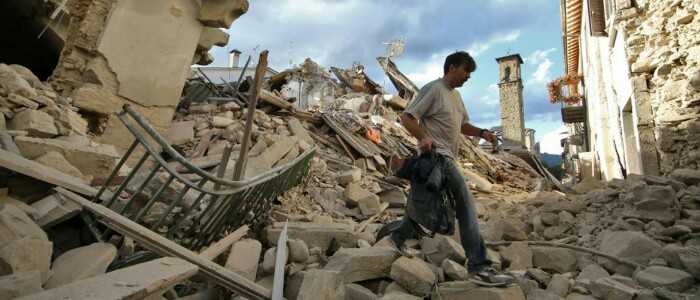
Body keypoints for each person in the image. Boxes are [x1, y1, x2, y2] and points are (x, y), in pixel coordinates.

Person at [392, 51, 513, 285]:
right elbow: (406, 117)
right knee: (466, 206)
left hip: (446, 161)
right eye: (466, 70)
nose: (468, 76)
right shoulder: (434, 89)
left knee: (423, 205)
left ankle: (395, 238)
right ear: (451, 67)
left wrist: (482, 133)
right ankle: (479, 266)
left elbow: (462, 125)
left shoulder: (456, 97)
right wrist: (424, 137)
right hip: (437, 159)